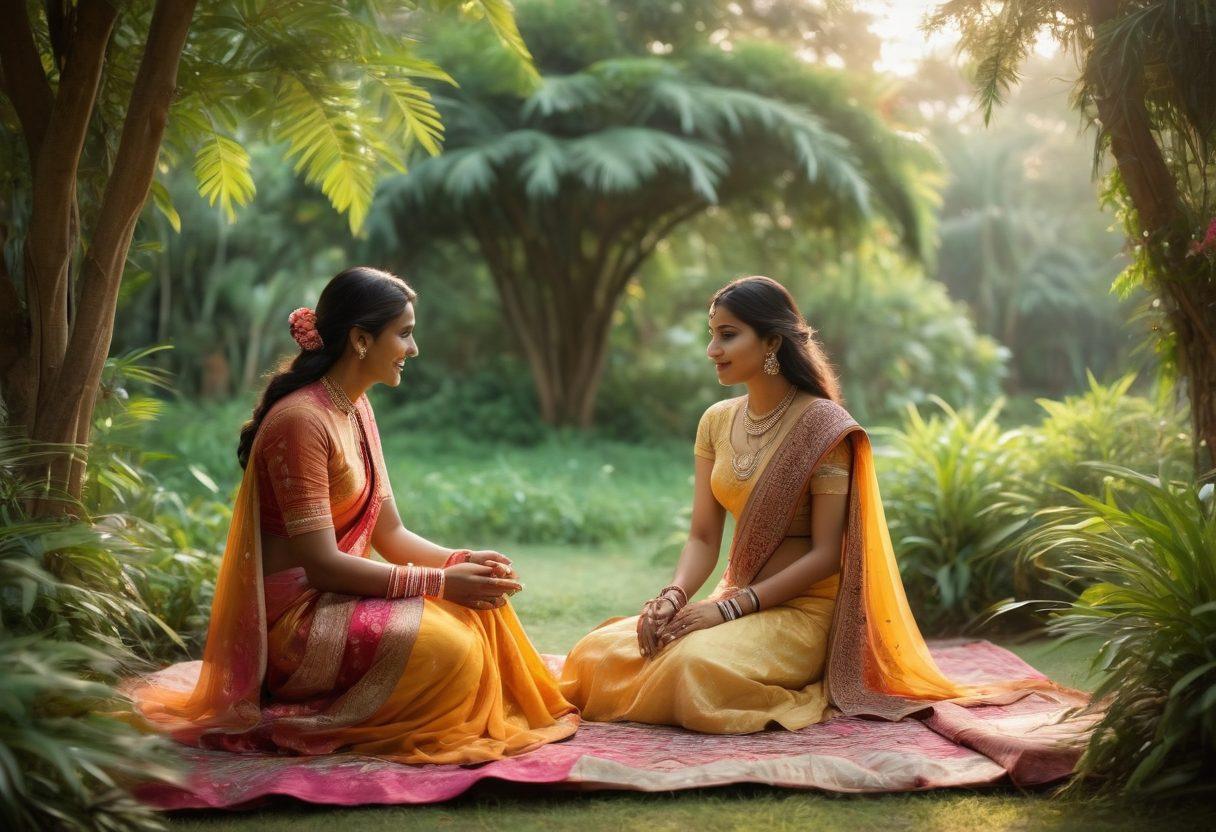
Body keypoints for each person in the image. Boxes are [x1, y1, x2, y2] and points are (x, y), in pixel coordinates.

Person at [560, 275, 1077, 732]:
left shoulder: (822, 427)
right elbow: (702, 536)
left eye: (727, 334)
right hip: (733, 598)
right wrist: (672, 598)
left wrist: (727, 609)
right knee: (595, 654)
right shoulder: (715, 422)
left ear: (772, 342)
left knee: (689, 668)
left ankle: (790, 684)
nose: (712, 349)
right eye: (711, 334)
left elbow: (828, 553)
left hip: (804, 612)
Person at [125, 266, 578, 764]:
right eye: (404, 333)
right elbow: (321, 566)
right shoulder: (301, 422)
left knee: (481, 610)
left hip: (340, 600)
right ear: (361, 340)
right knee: (451, 651)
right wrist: (442, 583)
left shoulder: (356, 409)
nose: (414, 348)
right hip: (295, 627)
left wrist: (461, 561)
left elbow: (392, 533)